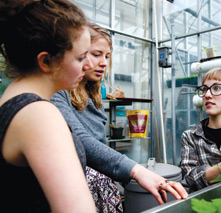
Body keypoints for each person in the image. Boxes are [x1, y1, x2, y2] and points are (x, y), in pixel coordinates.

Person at [51, 23, 188, 209]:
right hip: (75, 191)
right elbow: (80, 140)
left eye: (107, 56)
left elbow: (100, 147)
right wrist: (136, 171)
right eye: (96, 54)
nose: (104, 63)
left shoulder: (94, 96)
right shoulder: (58, 93)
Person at [0, 0, 97, 212]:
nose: (89, 65)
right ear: (46, 61)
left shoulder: (11, 99)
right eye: (81, 57)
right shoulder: (39, 114)